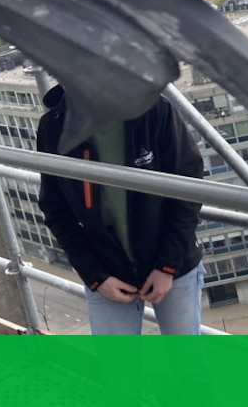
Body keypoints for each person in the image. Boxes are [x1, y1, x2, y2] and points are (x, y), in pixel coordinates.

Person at [37, 84, 206, 335]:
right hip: (106, 267)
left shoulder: (153, 110)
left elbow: (188, 189)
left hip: (172, 264)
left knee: (187, 367)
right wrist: (96, 276)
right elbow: (56, 210)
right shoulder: (54, 126)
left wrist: (167, 266)